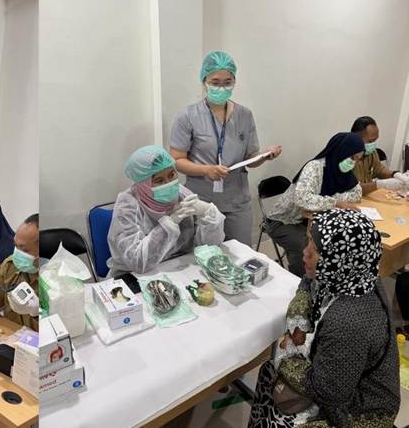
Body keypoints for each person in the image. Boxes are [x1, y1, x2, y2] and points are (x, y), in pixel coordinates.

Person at [243, 209, 399, 428]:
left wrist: (287, 351)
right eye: (309, 242)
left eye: (315, 250)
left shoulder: (348, 322)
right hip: (341, 383)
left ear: (339, 258)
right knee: (270, 374)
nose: (305, 252)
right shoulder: (355, 274)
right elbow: (308, 283)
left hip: (359, 418)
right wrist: (297, 319)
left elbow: (326, 391)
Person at [169, 51, 282, 246]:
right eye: (215, 82)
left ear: (234, 82)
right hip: (201, 201)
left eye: (227, 82)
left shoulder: (244, 115)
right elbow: (177, 160)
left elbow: (250, 157)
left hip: (237, 201)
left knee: (241, 253)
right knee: (204, 254)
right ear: (204, 81)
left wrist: (263, 156)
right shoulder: (187, 116)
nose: (221, 87)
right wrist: (206, 170)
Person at [108, 145, 225, 277]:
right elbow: (137, 262)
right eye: (159, 180)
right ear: (143, 184)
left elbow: (209, 249)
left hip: (179, 267)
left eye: (172, 175)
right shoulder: (128, 205)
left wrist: (208, 214)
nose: (169, 183)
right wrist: (169, 224)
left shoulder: (181, 195)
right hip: (133, 276)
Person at [267, 132, 363, 277]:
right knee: (307, 247)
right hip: (283, 221)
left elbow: (357, 193)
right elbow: (302, 199)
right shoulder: (315, 167)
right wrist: (336, 202)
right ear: (341, 151)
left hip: (310, 220)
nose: (353, 162)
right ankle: (301, 282)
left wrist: (330, 200)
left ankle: (324, 279)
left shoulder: (342, 170)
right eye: (352, 157)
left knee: (336, 242)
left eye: (357, 159)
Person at [351, 115, 409, 194]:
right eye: (371, 141)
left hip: (366, 196)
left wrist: (396, 174)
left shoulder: (370, 152)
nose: (373, 145)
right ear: (356, 138)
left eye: (375, 140)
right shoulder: (345, 157)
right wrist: (380, 184)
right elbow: (352, 190)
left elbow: (379, 170)